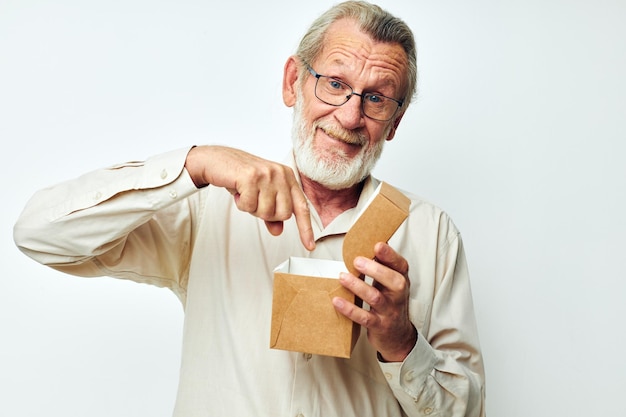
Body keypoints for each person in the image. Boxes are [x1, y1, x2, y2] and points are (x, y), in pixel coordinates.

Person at [14, 1, 485, 416]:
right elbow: (39, 233)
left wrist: (402, 344)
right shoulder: (209, 206)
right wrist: (194, 164)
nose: (349, 115)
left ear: (395, 122)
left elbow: (466, 414)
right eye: (335, 83)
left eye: (376, 98)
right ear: (292, 83)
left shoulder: (431, 233)